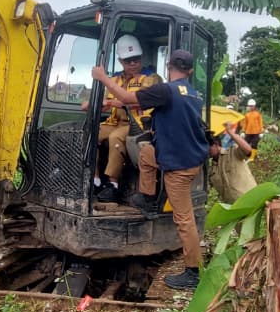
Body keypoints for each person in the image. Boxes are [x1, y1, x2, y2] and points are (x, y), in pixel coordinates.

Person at [92, 49, 209, 291]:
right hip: (187, 156)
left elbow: (126, 98)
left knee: (184, 219)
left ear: (168, 67)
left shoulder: (165, 90)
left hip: (179, 165)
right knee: (146, 153)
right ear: (188, 70)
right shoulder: (194, 94)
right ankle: (147, 199)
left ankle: (193, 272)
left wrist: (103, 77)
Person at [91, 35, 162, 202]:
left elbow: (131, 100)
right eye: (128, 60)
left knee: (115, 138)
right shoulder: (115, 78)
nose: (132, 64)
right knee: (91, 132)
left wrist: (109, 101)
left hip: (138, 125)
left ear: (141, 58)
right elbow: (103, 98)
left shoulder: (150, 78)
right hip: (115, 122)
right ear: (121, 61)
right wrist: (94, 103)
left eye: (136, 59)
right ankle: (94, 180)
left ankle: (112, 185)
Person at [210, 121, 257, 203]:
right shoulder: (212, 169)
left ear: (216, 144)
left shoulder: (232, 152)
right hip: (233, 208)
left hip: (251, 202)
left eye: (207, 147)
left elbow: (248, 151)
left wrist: (231, 132)